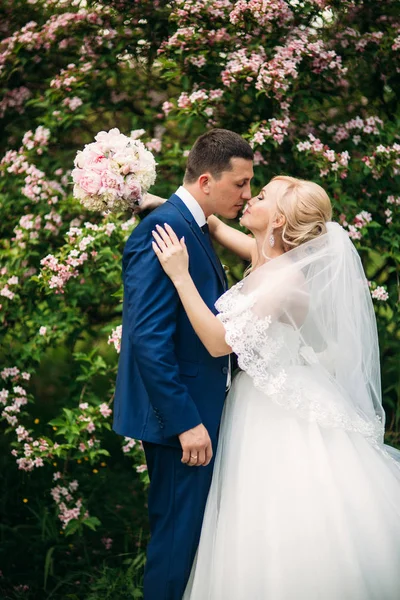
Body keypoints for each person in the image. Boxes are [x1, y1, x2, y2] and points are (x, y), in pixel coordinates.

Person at [152, 175, 400, 600]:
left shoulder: (283, 280)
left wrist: (180, 276)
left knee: (279, 514)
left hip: (275, 410)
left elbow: (217, 342)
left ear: (280, 219)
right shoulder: (266, 255)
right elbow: (213, 226)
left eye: (261, 196)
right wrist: (155, 200)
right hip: (258, 396)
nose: (249, 197)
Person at [112, 128, 254, 600]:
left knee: (191, 542)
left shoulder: (186, 221)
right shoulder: (164, 228)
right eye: (241, 184)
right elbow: (148, 339)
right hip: (184, 424)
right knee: (176, 546)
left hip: (199, 411)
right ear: (208, 180)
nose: (247, 194)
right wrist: (185, 422)